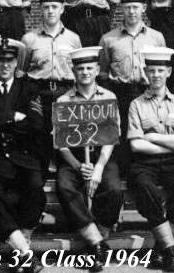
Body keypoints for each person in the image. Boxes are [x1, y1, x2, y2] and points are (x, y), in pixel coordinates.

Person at [0, 38, 46, 273]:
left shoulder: (29, 90)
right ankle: (25, 254)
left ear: (16, 63)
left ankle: (18, 249)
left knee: (35, 187)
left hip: (23, 157)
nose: (5, 65)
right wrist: (14, 116)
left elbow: (35, 124)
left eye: (10, 60)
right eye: (0, 60)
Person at [127, 46, 174, 272]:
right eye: (152, 71)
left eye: (160, 70)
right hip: (145, 164)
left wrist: (154, 137)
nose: (156, 75)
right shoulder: (136, 105)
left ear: (168, 72)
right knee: (144, 187)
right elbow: (136, 144)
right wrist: (170, 143)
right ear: (146, 73)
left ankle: (160, 249)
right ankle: (170, 250)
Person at [55, 46, 123, 272]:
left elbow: (111, 138)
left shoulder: (109, 96)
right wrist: (78, 166)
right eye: (80, 68)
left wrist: (98, 168)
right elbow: (61, 143)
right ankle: (97, 243)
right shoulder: (64, 100)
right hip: (74, 158)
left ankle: (98, 236)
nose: (84, 72)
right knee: (65, 187)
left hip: (102, 155)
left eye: (89, 68)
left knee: (113, 189)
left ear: (97, 70)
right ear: (73, 71)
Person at [99, 0, 165, 175]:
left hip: (148, 94)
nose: (132, 11)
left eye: (136, 7)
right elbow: (103, 72)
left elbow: (162, 70)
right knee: (123, 140)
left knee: (148, 135)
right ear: (122, 9)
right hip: (121, 93)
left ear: (143, 8)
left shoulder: (156, 38)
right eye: (127, 7)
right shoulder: (108, 39)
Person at [21, 0, 81, 171]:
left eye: (55, 6)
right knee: (39, 132)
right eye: (46, 7)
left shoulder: (73, 39)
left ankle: (64, 167)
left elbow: (79, 70)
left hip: (65, 91)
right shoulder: (29, 39)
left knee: (64, 131)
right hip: (39, 91)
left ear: (62, 9)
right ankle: (41, 167)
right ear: (41, 9)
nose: (50, 11)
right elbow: (21, 70)